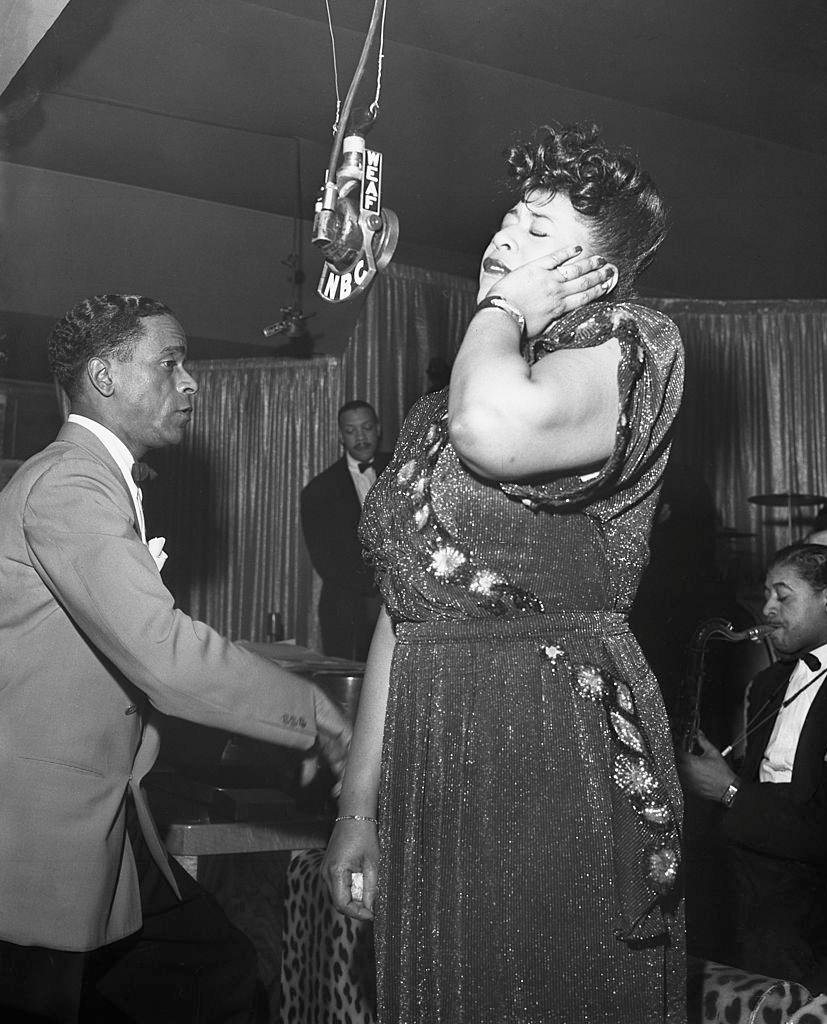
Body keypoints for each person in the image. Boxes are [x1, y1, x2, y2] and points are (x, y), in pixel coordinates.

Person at [322, 122, 686, 1022]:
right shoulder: (433, 410)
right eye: (505, 225)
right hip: (430, 749)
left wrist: (503, 308)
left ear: (593, 277)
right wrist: (356, 807)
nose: (501, 243)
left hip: (552, 743)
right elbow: (403, 613)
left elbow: (494, 431)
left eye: (533, 233)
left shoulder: (634, 343)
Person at [0, 294, 350, 1024]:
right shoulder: (70, 482)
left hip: (104, 816)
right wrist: (313, 712)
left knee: (214, 975)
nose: (190, 383)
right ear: (105, 375)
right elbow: (162, 654)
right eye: (170, 363)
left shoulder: (95, 481)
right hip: (38, 834)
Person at [678, 542, 827, 994]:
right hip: (754, 887)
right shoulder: (767, 683)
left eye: (782, 595)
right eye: (765, 594)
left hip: (820, 909)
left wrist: (730, 791)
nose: (766, 609)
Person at [301, 400, 390, 660]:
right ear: (340, 435)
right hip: (348, 611)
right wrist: (377, 583)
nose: (360, 437)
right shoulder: (318, 491)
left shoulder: (403, 472)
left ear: (378, 428)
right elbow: (325, 562)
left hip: (402, 606)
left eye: (367, 428)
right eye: (351, 431)